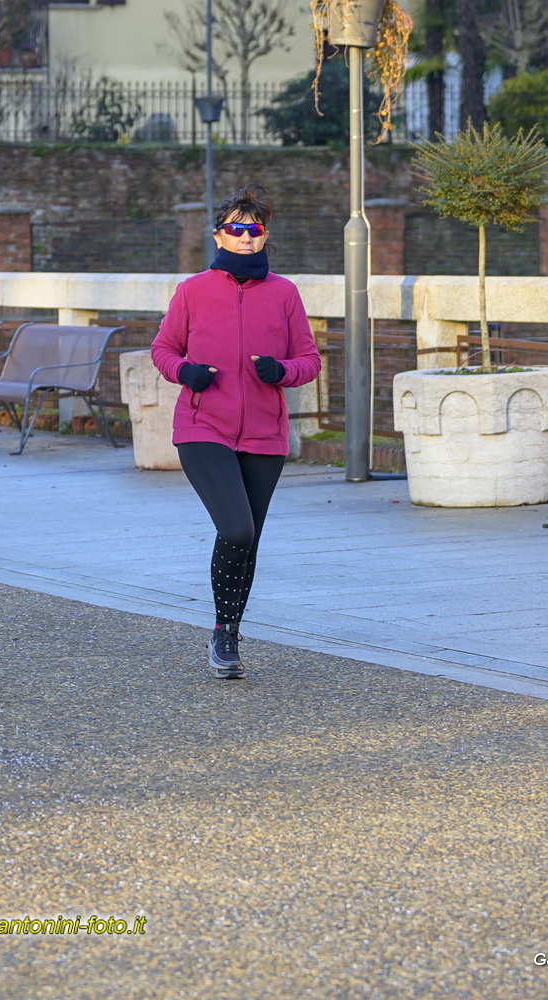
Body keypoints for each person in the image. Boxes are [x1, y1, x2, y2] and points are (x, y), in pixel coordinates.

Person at [151, 185, 322, 679]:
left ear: (264, 236)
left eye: (255, 229)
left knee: (250, 540)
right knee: (236, 529)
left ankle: (227, 635)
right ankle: (222, 631)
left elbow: (309, 360)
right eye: (236, 228)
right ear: (219, 235)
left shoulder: (285, 294)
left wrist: (281, 371)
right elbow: (163, 350)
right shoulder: (193, 291)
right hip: (203, 426)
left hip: (265, 436)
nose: (246, 237)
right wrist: (186, 372)